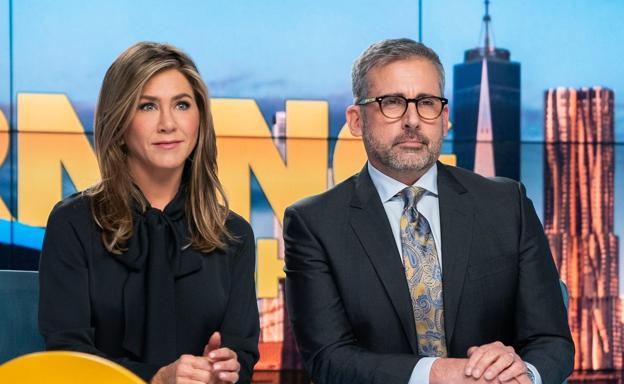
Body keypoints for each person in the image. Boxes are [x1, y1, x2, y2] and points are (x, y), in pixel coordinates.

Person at [283, 38, 573, 384]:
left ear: (445, 118)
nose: (412, 120)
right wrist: (438, 373)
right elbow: (329, 359)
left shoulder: (506, 204)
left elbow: (551, 341)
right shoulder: (314, 223)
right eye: (391, 102)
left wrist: (523, 374)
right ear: (356, 120)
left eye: (426, 102)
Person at [39, 42, 259, 384]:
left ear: (199, 119)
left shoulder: (235, 234)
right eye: (147, 107)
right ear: (119, 122)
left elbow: (241, 356)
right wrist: (155, 379)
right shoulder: (73, 223)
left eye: (182, 105)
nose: (168, 124)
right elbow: (68, 358)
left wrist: (225, 370)